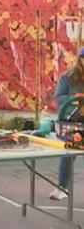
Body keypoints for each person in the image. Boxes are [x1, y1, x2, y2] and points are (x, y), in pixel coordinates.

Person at [49, 48, 84, 201]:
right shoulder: (68, 78)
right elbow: (59, 97)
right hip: (71, 122)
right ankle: (62, 188)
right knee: (68, 155)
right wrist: (75, 99)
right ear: (80, 60)